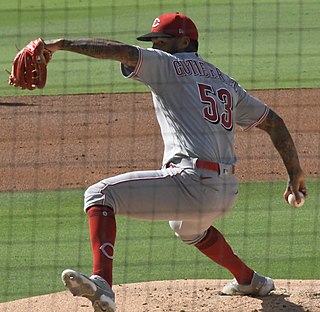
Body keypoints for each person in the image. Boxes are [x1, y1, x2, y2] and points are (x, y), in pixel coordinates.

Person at [44, 13, 307, 312]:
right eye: (154, 41)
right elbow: (275, 122)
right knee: (187, 228)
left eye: (161, 41)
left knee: (100, 194)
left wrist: (60, 45)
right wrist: (295, 172)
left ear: (184, 41)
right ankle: (251, 280)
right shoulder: (224, 81)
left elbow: (122, 51)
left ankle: (102, 283)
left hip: (191, 183)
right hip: (226, 192)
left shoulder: (167, 64)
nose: (155, 45)